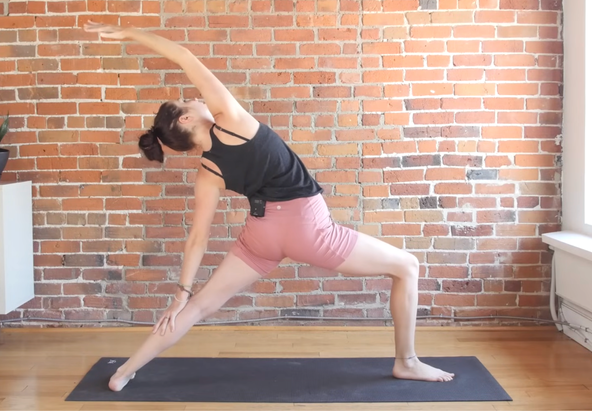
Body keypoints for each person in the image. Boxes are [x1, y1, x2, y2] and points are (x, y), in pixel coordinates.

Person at [82, 21, 455, 392]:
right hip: (307, 228)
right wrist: (131, 34)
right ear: (186, 117)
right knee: (407, 266)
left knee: (196, 308)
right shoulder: (232, 121)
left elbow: (198, 237)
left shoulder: (207, 171)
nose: (195, 98)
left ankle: (124, 372)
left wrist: (181, 294)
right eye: (188, 100)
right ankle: (406, 362)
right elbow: (183, 56)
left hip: (260, 235)